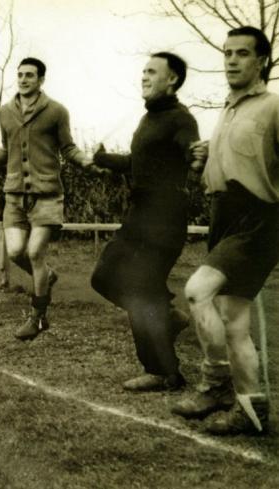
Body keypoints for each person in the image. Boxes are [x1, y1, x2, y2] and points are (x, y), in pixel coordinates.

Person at [171, 26, 278, 435]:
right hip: (224, 215)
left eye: (242, 54)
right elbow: (230, 164)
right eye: (227, 53)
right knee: (234, 320)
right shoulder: (230, 108)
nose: (232, 60)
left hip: (259, 219)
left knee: (198, 291)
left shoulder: (272, 107)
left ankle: (215, 384)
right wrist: (206, 156)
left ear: (261, 61)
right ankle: (252, 411)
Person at [0, 57, 94, 340]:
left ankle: (38, 317)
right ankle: (47, 276)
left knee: (35, 253)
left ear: (41, 80)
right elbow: (3, 151)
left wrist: (86, 162)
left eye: (30, 75)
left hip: (47, 195)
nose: (23, 80)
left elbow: (68, 148)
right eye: (20, 75)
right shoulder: (5, 112)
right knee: (15, 252)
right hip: (14, 197)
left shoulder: (57, 111)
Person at [90, 53, 199, 392]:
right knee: (104, 277)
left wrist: (197, 155)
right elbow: (138, 163)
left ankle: (164, 373)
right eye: (143, 71)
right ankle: (168, 318)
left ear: (172, 80)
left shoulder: (181, 119)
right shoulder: (148, 119)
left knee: (141, 290)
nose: (144, 76)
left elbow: (190, 150)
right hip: (139, 217)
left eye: (152, 72)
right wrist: (103, 159)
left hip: (165, 219)